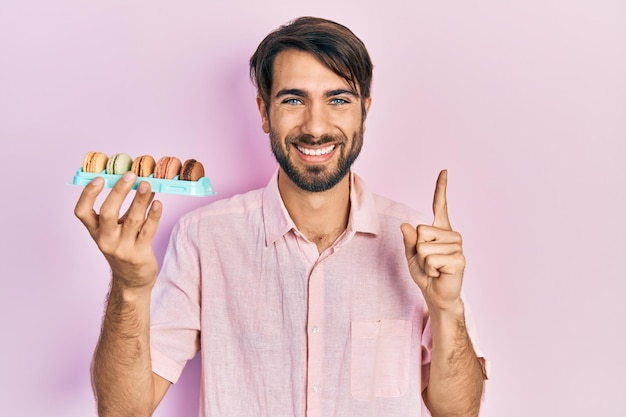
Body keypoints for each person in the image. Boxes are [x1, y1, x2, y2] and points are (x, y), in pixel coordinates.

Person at [75, 16, 487, 417]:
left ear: (365, 110)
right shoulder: (204, 238)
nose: (315, 126)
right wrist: (129, 288)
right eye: (293, 100)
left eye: (338, 100)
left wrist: (447, 307)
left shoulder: (417, 242)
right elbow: (122, 410)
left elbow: (459, 412)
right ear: (263, 111)